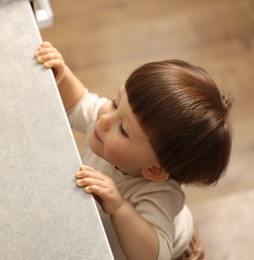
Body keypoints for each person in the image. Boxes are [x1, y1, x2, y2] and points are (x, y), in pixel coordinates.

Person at [35, 41, 232, 260]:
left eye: (124, 130)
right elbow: (81, 102)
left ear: (154, 171)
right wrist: (62, 75)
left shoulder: (159, 196)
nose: (105, 119)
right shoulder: (108, 124)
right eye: (115, 102)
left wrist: (119, 208)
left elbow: (154, 256)